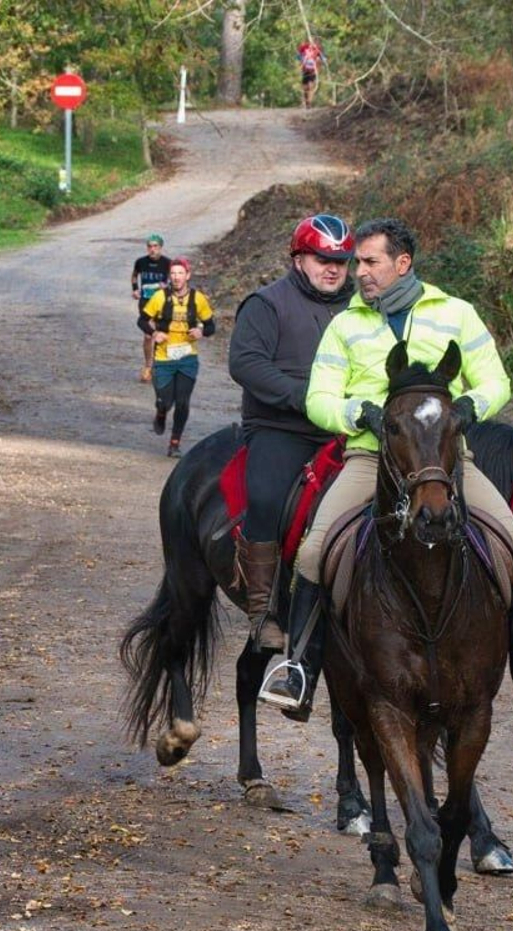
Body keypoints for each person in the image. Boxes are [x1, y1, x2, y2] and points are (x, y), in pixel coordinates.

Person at [258, 218, 513, 723]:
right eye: (357, 263)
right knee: (315, 549)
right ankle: (298, 670)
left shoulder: (456, 314)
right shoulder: (346, 324)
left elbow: (495, 380)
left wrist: (470, 410)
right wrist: (355, 415)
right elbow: (318, 397)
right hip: (371, 455)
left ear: (402, 263)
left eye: (369, 262)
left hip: (448, 460)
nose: (358, 272)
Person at [227, 214, 355, 650]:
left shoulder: (362, 309)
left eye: (341, 259)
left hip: (346, 427)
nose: (333, 268)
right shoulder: (266, 303)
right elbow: (245, 364)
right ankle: (262, 611)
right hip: (280, 427)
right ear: (299, 258)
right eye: (322, 258)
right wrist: (303, 397)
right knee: (264, 497)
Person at [138, 257, 216, 458]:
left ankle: (175, 443)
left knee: (182, 402)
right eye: (173, 274)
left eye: (180, 273)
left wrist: (201, 332)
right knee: (165, 401)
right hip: (164, 358)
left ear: (187, 276)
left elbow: (210, 326)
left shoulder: (197, 299)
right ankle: (161, 411)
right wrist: (155, 334)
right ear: (169, 276)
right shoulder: (159, 297)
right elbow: (142, 320)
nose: (176, 277)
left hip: (187, 358)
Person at [130, 235, 171, 383]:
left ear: (160, 247)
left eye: (155, 246)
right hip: (146, 302)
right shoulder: (141, 262)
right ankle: (148, 365)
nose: (152, 249)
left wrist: (167, 286)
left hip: (162, 304)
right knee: (148, 335)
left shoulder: (167, 263)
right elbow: (135, 276)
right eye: (150, 246)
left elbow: (174, 280)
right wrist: (135, 289)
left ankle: (158, 366)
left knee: (160, 334)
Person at [296, 39, 325, 108]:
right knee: (305, 87)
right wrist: (302, 59)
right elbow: (298, 56)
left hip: (313, 70)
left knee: (310, 86)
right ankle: (306, 101)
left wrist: (320, 60)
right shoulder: (304, 47)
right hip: (305, 70)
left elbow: (323, 58)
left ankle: (309, 102)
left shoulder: (317, 49)